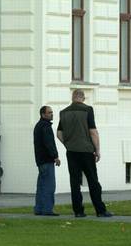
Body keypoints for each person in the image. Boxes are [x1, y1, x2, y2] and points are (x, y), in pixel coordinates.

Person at [57, 89, 112, 217]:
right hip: (86, 151)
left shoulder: (63, 112)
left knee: (75, 182)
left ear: (72, 97)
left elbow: (59, 133)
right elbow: (93, 131)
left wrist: (67, 144)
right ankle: (100, 210)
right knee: (93, 181)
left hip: (71, 152)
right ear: (83, 98)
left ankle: (78, 211)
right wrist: (97, 150)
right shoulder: (88, 110)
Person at [33, 106, 60, 216]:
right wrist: (55, 156)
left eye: (52, 112)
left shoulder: (38, 126)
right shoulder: (46, 126)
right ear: (43, 114)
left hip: (40, 160)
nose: (51, 114)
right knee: (49, 185)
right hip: (47, 159)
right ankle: (47, 209)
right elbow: (49, 143)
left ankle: (39, 208)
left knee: (41, 185)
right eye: (49, 112)